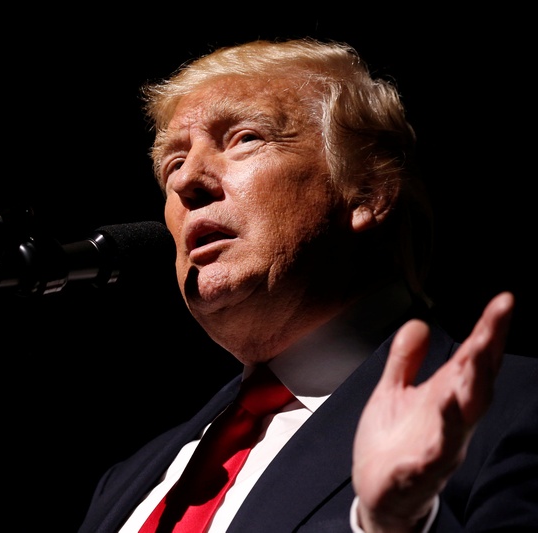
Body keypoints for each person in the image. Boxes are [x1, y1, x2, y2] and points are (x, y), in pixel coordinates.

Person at [77, 37, 537, 532]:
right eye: (172, 164)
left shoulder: (513, 410)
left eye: (244, 138)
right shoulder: (125, 485)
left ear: (366, 192)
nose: (187, 180)